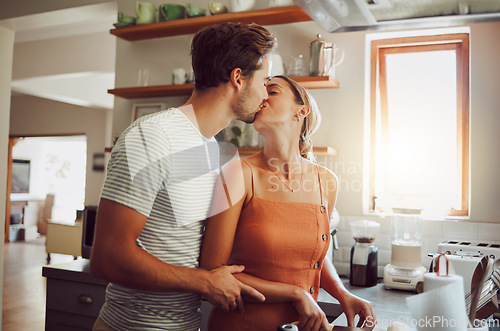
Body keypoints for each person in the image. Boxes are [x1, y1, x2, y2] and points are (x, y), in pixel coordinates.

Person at [89, 23, 277, 330]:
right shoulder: (152, 135)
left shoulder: (218, 153)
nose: (266, 93)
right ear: (238, 78)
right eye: (265, 80)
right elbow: (108, 257)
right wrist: (205, 283)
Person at [200, 75, 376, 331]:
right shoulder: (238, 174)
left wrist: (342, 293)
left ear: (300, 111)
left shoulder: (325, 181)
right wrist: (296, 294)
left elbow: (314, 254)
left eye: (272, 90)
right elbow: (213, 269)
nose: (262, 96)